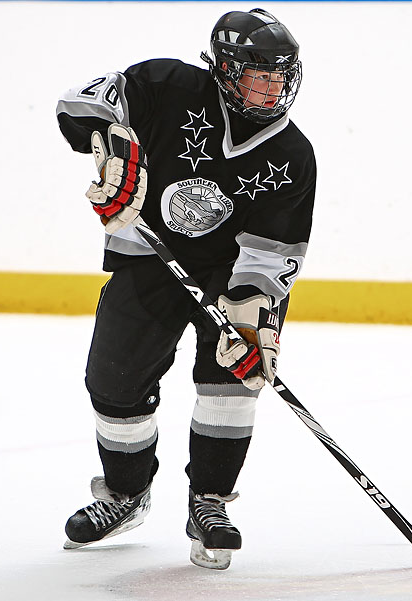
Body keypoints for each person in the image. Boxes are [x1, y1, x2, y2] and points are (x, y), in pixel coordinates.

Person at [55, 8, 316, 569]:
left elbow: (272, 251)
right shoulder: (166, 86)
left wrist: (250, 319)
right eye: (256, 75)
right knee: (113, 379)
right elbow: (80, 104)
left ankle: (210, 501)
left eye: (279, 76)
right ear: (223, 69)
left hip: (233, 277)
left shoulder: (292, 155)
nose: (270, 89)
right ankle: (126, 494)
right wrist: (114, 145)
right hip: (149, 257)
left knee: (231, 383)